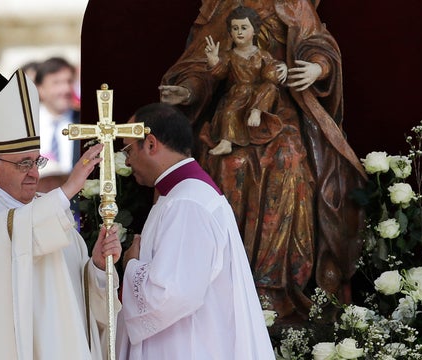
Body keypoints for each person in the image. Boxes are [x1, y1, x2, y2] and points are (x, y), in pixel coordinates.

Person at [158, 0, 366, 331]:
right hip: (232, 115)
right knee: (229, 164)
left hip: (279, 111)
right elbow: (202, 67)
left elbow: (318, 44)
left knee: (287, 161)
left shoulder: (295, 5)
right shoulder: (224, 8)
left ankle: (274, 288)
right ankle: (221, 284)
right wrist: (186, 92)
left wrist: (316, 68)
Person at [0, 68, 122, 360]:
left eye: (37, 161)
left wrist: (97, 268)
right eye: (23, 164)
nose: (34, 173)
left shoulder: (47, 211)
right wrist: (68, 188)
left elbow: (80, 305)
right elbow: (8, 242)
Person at [116, 103, 274, 359]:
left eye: (128, 148)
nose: (127, 159)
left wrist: (131, 264)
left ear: (151, 144)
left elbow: (170, 295)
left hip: (186, 346)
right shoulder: (179, 196)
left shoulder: (187, 203)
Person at [204, 6, 287, 155]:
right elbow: (221, 73)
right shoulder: (229, 55)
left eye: (244, 27)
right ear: (230, 32)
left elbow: (273, 69)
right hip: (240, 93)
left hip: (261, 94)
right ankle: (226, 142)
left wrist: (284, 67)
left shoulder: (262, 54)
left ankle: (257, 111)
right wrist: (214, 61)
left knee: (270, 87)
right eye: (235, 28)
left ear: (255, 30)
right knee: (229, 112)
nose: (239, 32)